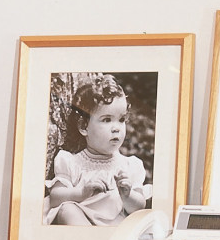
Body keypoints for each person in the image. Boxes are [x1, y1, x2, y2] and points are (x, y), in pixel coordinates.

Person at [44, 74, 151, 228]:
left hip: (114, 230)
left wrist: (128, 195)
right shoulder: (71, 162)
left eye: (121, 119)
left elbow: (139, 207)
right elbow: (55, 197)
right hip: (81, 226)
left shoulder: (129, 166)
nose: (116, 128)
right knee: (67, 209)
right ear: (83, 127)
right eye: (106, 120)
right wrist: (81, 193)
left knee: (134, 221)